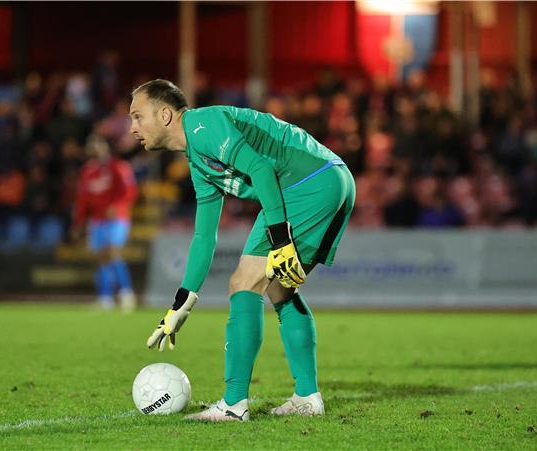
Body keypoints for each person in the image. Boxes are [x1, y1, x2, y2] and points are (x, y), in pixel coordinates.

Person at [130, 79, 355, 421]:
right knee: (280, 287)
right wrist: (181, 304)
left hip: (307, 183)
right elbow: (204, 237)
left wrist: (280, 240)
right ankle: (307, 397)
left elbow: (261, 169)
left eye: (137, 116)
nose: (132, 128)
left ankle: (233, 405)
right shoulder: (198, 161)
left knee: (242, 283)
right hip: (331, 179)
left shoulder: (202, 125)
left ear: (164, 115)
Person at [72, 134, 138, 311]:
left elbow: (130, 191)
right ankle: (105, 298)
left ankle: (126, 293)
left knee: (113, 252)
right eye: (91, 144)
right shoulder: (87, 172)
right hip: (97, 220)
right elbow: (82, 200)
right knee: (101, 258)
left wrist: (117, 205)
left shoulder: (119, 167)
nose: (94, 147)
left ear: (106, 147)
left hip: (117, 218)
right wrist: (78, 223)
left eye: (98, 144)